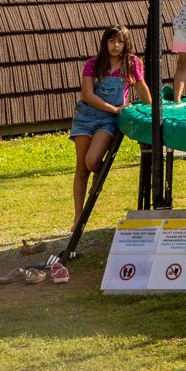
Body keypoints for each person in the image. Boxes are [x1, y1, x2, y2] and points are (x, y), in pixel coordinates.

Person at [70, 26, 151, 224]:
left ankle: (99, 174)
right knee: (81, 169)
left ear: (126, 43)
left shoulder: (132, 63)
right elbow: (87, 95)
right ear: (104, 43)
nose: (115, 46)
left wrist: (154, 110)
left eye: (120, 42)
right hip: (85, 117)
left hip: (107, 121)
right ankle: (78, 216)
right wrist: (114, 108)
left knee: (92, 160)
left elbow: (141, 88)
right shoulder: (93, 64)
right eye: (111, 41)